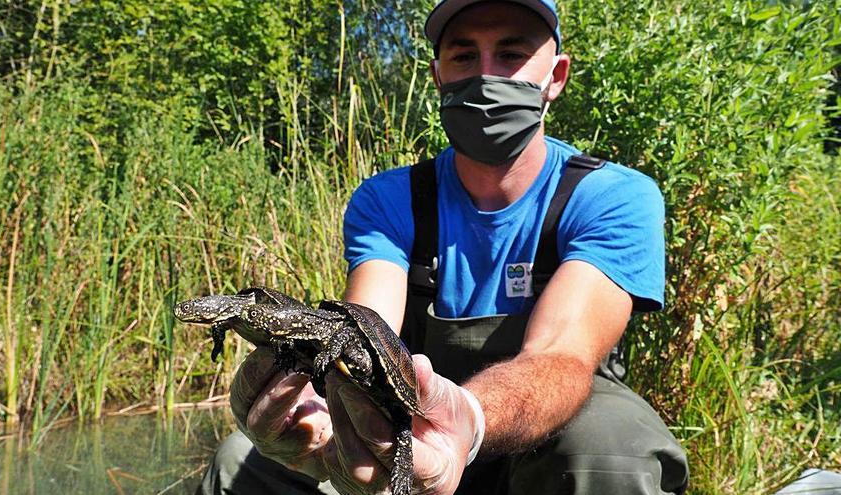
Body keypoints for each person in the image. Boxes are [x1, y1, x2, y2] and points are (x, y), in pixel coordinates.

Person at [198, 0, 690, 494]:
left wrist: (466, 423)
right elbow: (365, 328)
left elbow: (562, 355)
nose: (485, 77)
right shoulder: (392, 199)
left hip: (545, 434)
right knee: (242, 458)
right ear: (438, 75)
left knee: (610, 444)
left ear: (556, 76)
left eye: (511, 55)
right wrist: (326, 410)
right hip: (416, 425)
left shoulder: (610, 196)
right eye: (464, 56)